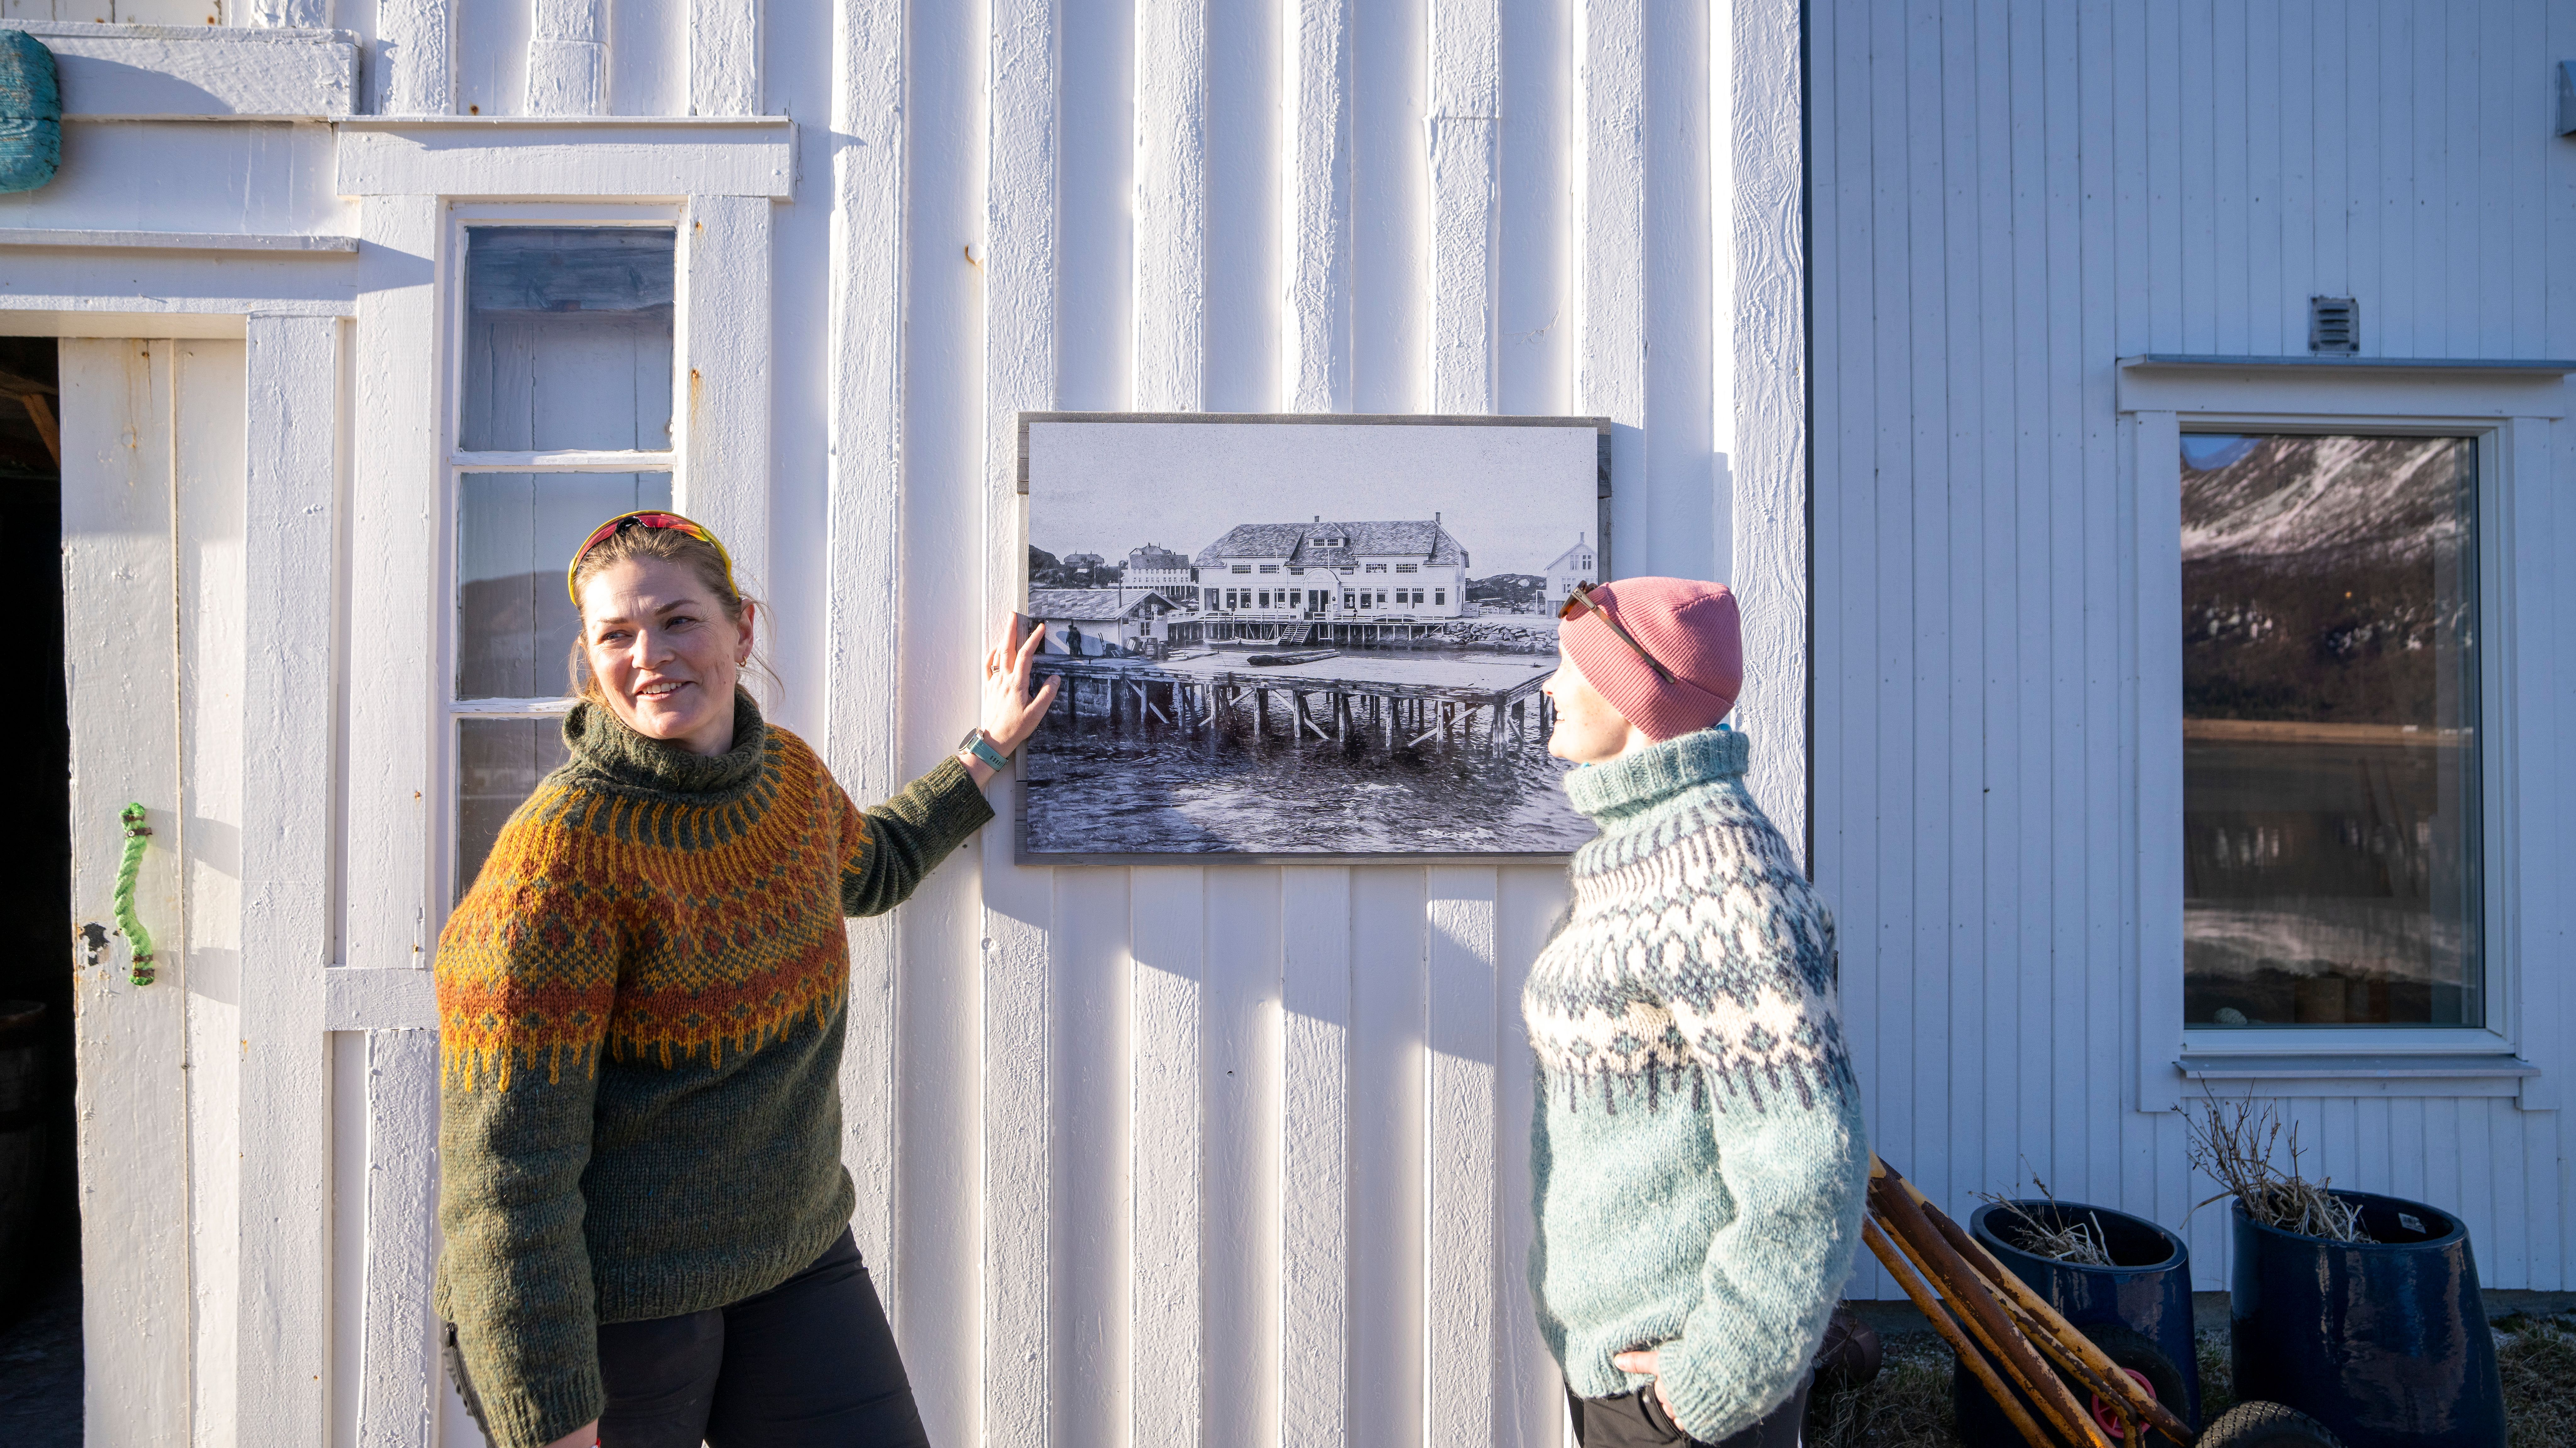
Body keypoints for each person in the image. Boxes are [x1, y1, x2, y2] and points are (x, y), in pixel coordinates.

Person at [433, 510, 1059, 1448]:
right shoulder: (556, 865)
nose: (651, 655)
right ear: (589, 656)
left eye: (678, 620)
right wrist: (551, 1418)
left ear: (743, 629)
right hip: (614, 1312)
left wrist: (986, 752)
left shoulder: (788, 783)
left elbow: (873, 864)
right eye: (617, 634)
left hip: (796, 1255)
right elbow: (506, 1176)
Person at [1527, 578, 1871, 1448]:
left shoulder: (1721, 878)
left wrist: (1716, 1378)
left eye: (1572, 665)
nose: (1547, 688)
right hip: (1622, 1364)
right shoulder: (1640, 852)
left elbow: (1808, 1164)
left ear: (1635, 692)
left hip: (1684, 1391)